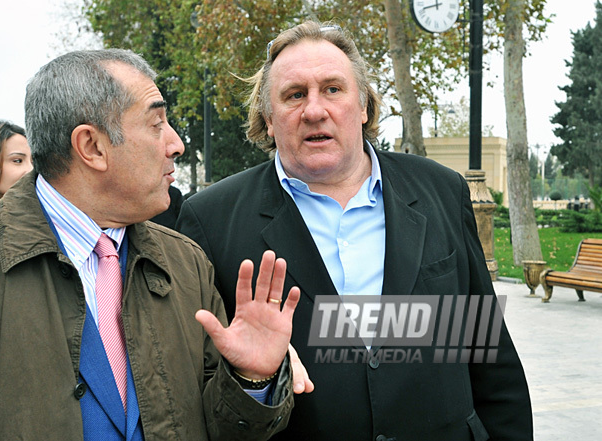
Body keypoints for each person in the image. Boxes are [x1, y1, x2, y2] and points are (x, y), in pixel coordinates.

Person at [176, 21, 533, 440]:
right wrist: (253, 380)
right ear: (268, 120)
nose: (314, 110)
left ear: (363, 107)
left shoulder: (441, 190)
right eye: (294, 95)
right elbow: (195, 392)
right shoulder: (210, 219)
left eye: (332, 89)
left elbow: (489, 357)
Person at [0, 49, 301, 441]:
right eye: (155, 123)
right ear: (92, 147)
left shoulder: (186, 263)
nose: (176, 144)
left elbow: (222, 429)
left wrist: (251, 379)